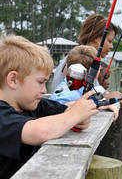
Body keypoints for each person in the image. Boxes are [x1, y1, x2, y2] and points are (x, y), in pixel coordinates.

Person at [0, 34, 101, 179]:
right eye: (41, 82)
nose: (44, 90)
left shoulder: (34, 105)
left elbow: (68, 110)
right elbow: (41, 131)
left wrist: (82, 114)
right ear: (13, 80)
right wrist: (75, 115)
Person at [51, 14, 122, 103]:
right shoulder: (80, 61)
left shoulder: (82, 58)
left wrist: (106, 95)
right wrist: (108, 97)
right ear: (97, 38)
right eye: (109, 41)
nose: (111, 46)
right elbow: (76, 96)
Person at [49, 45, 119, 120]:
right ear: (95, 72)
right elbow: (53, 110)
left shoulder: (72, 85)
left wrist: (102, 102)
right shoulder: (69, 96)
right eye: (99, 68)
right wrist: (95, 104)